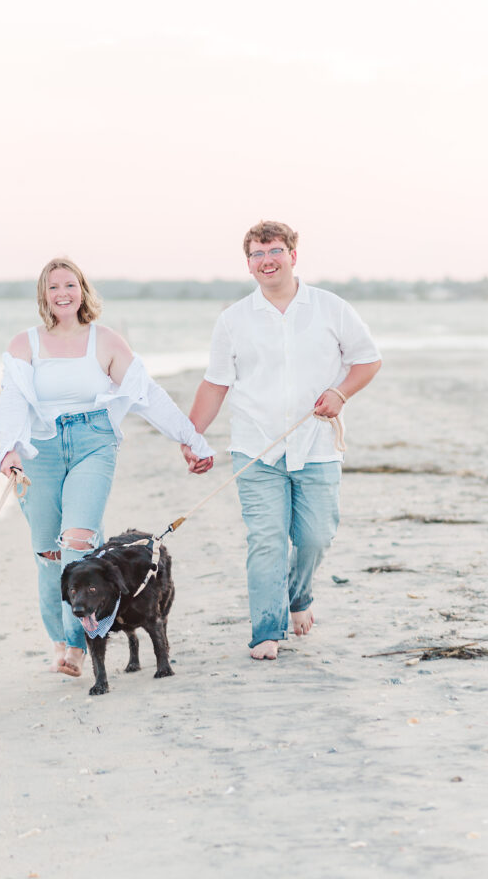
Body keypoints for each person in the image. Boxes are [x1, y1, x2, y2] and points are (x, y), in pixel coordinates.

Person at [0, 257, 214, 678]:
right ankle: (59, 640)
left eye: (70, 285)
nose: (63, 293)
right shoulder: (24, 344)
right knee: (48, 552)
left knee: (77, 542)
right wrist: (9, 449)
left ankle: (79, 646)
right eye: (54, 286)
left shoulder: (106, 341)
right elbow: (12, 400)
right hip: (39, 451)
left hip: (92, 443)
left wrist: (191, 439)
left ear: (83, 290)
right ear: (44, 294)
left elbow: (147, 395)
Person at [182, 221, 381, 661]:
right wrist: (191, 436)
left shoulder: (331, 308)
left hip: (317, 446)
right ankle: (266, 631)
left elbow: (368, 360)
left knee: (314, 538)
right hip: (256, 448)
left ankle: (299, 596)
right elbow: (215, 384)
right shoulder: (233, 319)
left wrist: (340, 392)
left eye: (274, 250)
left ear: (293, 254)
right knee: (267, 539)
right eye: (256, 254)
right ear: (248, 264)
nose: (266, 260)